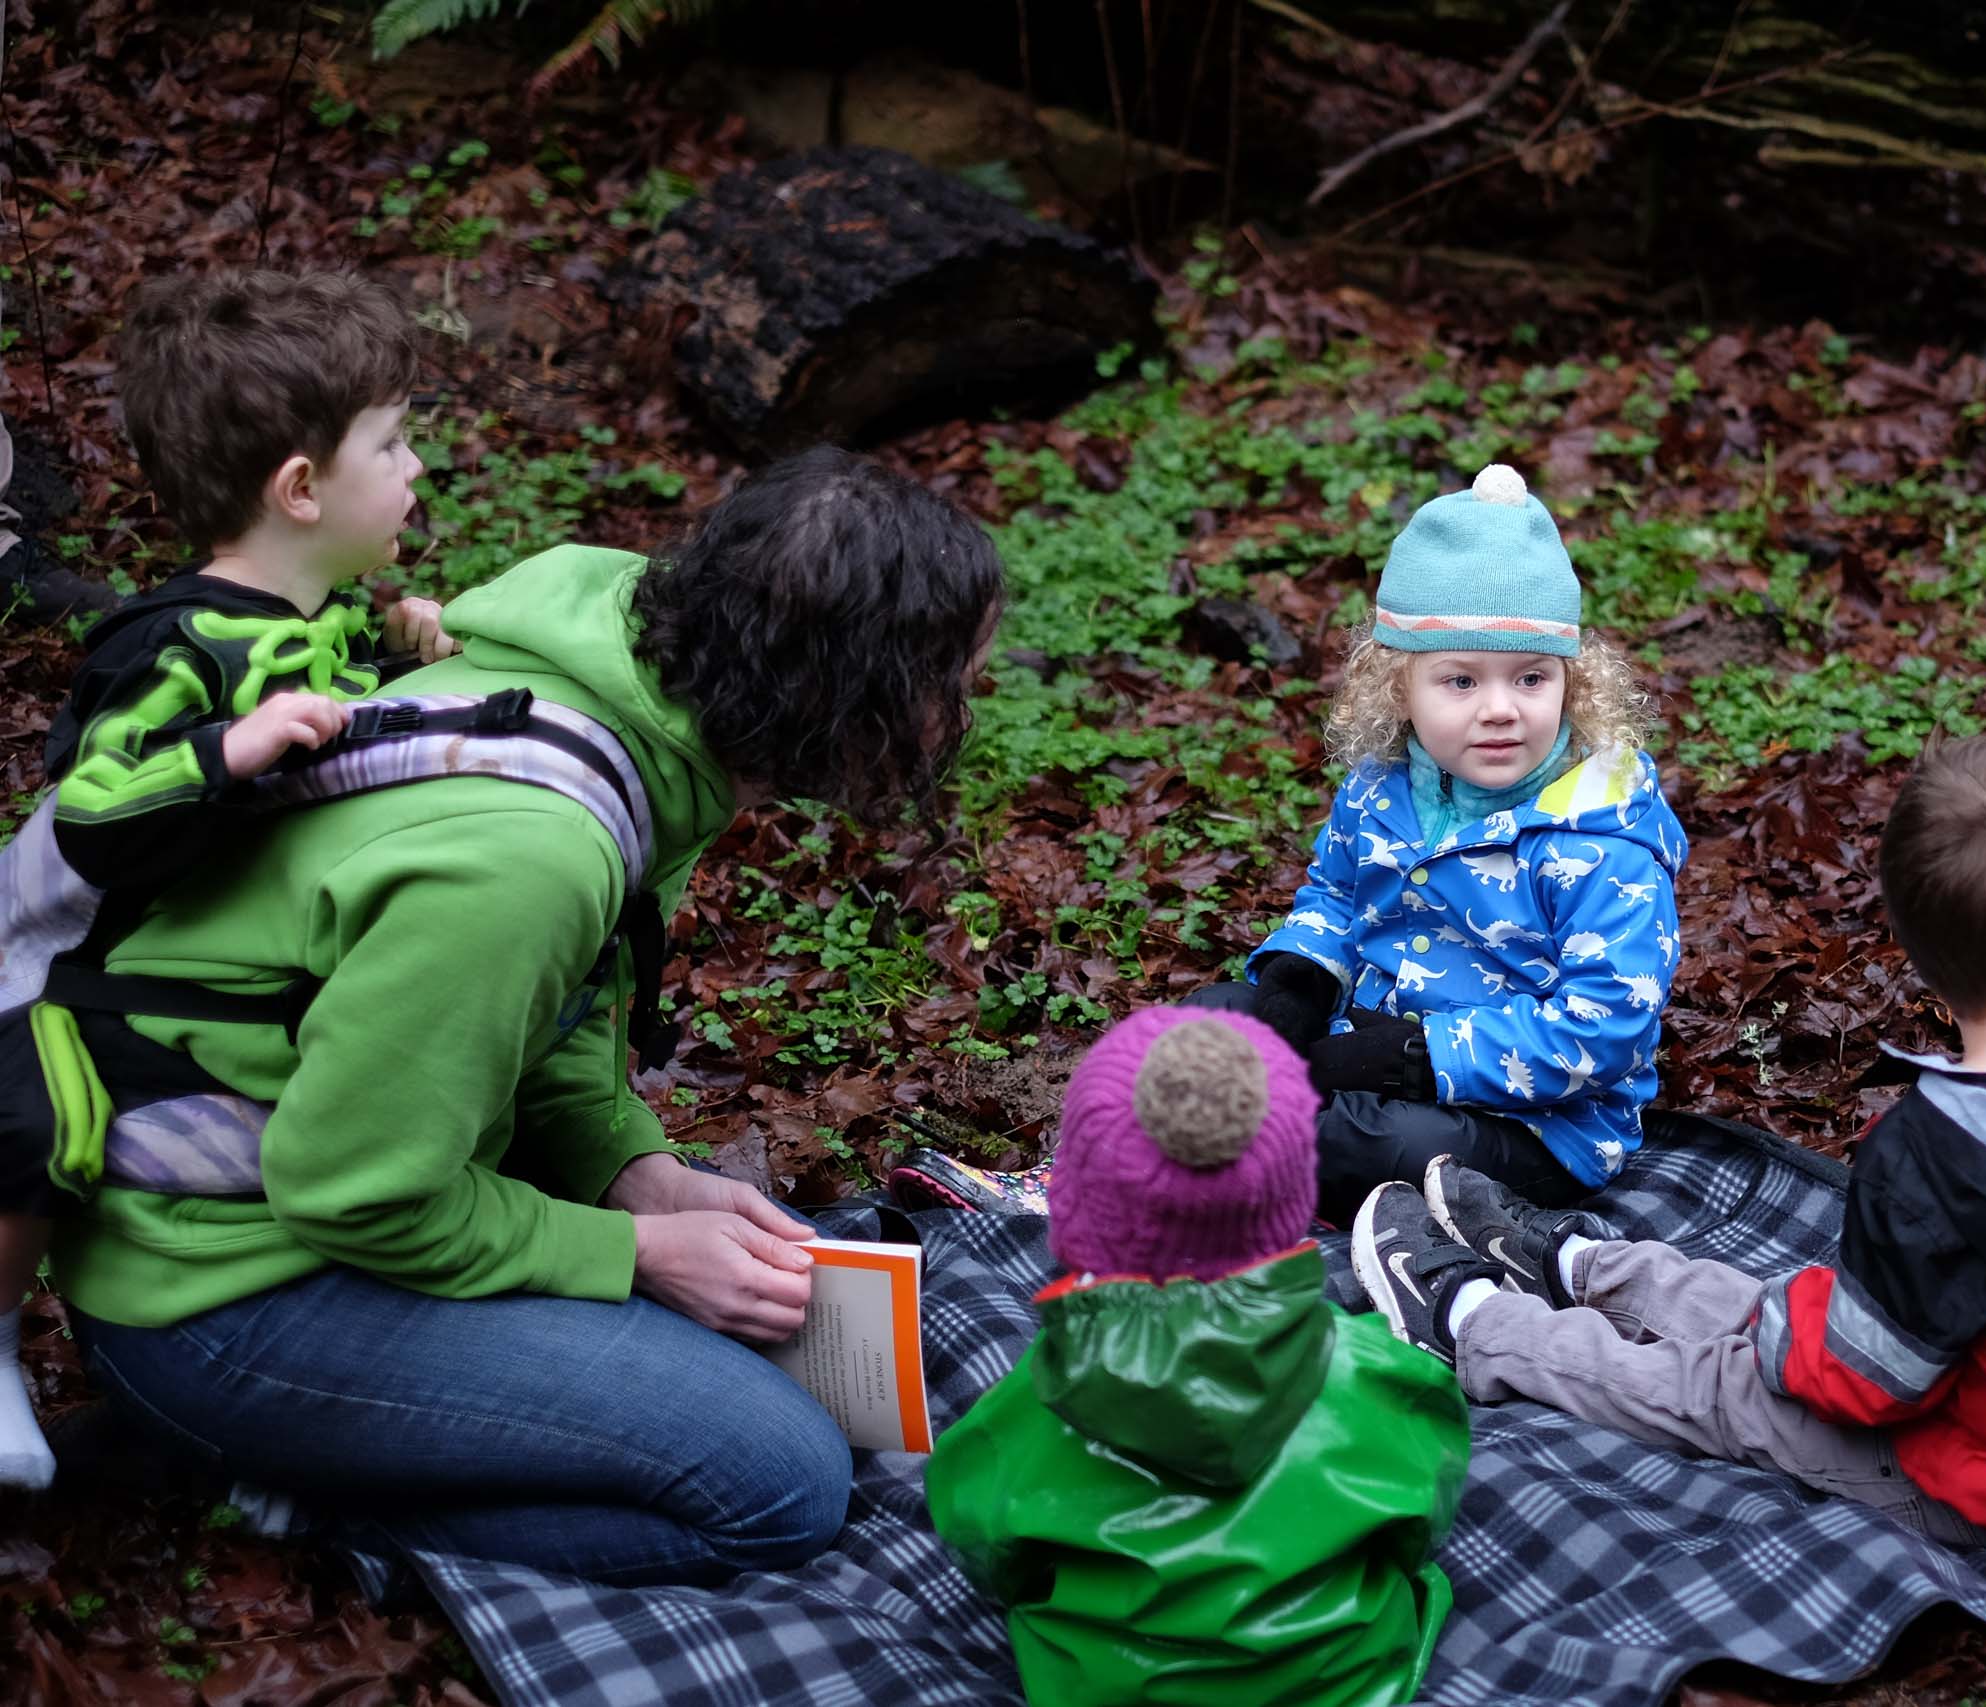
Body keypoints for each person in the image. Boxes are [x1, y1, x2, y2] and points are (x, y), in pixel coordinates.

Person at [40, 445, 1006, 1584]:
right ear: (856, 693)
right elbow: (358, 1191)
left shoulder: (626, 684)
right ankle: (287, 1498)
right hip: (216, 1294)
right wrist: (637, 1254)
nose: (963, 715)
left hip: (287, 1183)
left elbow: (546, 1014)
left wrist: (628, 1167)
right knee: (778, 1486)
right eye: (955, 682)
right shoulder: (530, 856)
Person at [1353, 734, 1986, 1547]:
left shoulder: (1932, 1159)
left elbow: (1870, 1382)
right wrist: (1804, 1317)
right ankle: (1579, 1267)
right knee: (1798, 1304)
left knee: (1722, 1386)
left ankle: (1476, 1328)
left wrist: (1782, 1337)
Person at [1, 269, 453, 1490]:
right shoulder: (174, 646)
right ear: (301, 489)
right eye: (394, 444)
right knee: (42, 1137)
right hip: (48, 965)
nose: (417, 468)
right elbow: (95, 808)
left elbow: (326, 669)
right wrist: (225, 750)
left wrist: (395, 631)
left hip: (175, 957)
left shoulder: (307, 615)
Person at [929, 1005, 1469, 1707]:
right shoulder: (1385, 1377)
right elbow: (1419, 1527)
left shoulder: (1028, 1409)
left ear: (1076, 1205)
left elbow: (986, 1551)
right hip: (1352, 1686)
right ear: (1291, 1206)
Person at [1207, 462, 1687, 1227]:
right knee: (1216, 1022)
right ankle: (1242, 1133)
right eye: (1461, 681)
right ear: (1401, 686)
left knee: (1369, 1142)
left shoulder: (1602, 839)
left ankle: (1237, 1158)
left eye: (1530, 678)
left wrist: (1414, 1059)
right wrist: (1297, 988)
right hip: (1368, 1034)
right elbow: (1334, 894)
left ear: (1572, 682)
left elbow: (1607, 1025)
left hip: (1536, 1123)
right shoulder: (1382, 786)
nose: (1500, 709)